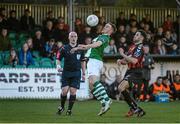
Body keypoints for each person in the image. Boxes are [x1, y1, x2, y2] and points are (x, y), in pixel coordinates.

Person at [71, 22, 116, 116]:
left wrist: (86, 46)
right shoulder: (101, 36)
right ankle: (104, 104)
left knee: (93, 81)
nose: (105, 27)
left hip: (94, 60)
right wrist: (81, 47)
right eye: (105, 25)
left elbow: (97, 45)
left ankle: (107, 100)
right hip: (93, 60)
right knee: (91, 86)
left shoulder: (105, 37)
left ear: (110, 31)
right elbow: (92, 47)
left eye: (107, 26)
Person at [117, 30, 146, 117]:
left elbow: (134, 60)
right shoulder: (132, 47)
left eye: (137, 35)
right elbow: (127, 60)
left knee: (121, 87)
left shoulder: (139, 47)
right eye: (135, 34)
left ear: (141, 38)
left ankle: (134, 108)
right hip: (130, 71)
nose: (134, 36)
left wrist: (122, 54)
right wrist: (120, 61)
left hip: (136, 72)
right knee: (124, 90)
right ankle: (136, 109)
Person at [56, 32, 86, 116]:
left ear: (77, 38)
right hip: (66, 72)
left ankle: (69, 110)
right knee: (64, 91)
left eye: (75, 36)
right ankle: (62, 107)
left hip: (76, 72)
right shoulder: (64, 48)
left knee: (73, 91)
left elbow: (83, 61)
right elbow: (58, 58)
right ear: (69, 38)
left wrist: (84, 73)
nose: (73, 38)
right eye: (72, 36)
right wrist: (58, 66)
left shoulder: (80, 48)